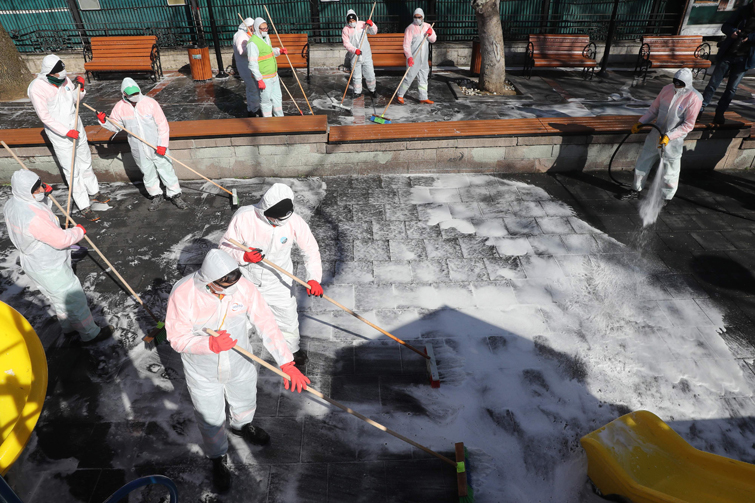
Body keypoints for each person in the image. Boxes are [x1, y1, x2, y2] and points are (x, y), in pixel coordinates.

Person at [166, 249, 309, 493]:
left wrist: (287, 363)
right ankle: (217, 457)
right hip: (203, 371)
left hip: (239, 362)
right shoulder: (184, 293)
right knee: (210, 418)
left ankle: (242, 426)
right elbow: (177, 338)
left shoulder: (243, 286)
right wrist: (208, 344)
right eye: (225, 285)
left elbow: (266, 323)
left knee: (245, 400)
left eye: (235, 281)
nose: (232, 288)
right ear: (209, 280)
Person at [4, 170, 114, 344]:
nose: (41, 189)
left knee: (57, 298)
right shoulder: (33, 218)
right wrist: (78, 231)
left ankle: (68, 327)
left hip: (33, 263)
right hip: (49, 265)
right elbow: (61, 240)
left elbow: (40, 210)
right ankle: (90, 334)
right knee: (73, 299)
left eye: (41, 185)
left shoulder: (12, 203)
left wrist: (45, 196)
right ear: (26, 191)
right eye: (37, 189)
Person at [220, 183, 323, 367]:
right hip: (248, 281)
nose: (276, 223)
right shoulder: (244, 217)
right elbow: (225, 247)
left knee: (287, 318)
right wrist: (243, 256)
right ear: (265, 210)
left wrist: (314, 278)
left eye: (281, 220)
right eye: (273, 219)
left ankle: (292, 350)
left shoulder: (295, 222)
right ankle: (234, 348)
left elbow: (310, 250)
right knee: (239, 317)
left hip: (279, 282)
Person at [27, 54, 109, 222]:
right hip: (61, 136)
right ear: (50, 72)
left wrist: (81, 89)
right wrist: (65, 131)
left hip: (77, 128)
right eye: (60, 71)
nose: (64, 74)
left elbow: (74, 99)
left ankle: (94, 192)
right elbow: (44, 117)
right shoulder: (37, 88)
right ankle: (84, 205)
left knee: (85, 162)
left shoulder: (63, 80)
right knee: (72, 171)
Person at [97, 78, 188, 211]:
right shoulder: (120, 107)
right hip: (138, 148)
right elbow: (116, 127)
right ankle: (156, 195)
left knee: (166, 170)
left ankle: (175, 195)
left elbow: (162, 125)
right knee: (147, 172)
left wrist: (162, 144)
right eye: (131, 94)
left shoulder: (150, 103)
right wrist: (104, 121)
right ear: (124, 94)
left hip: (156, 145)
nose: (135, 96)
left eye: (136, 92)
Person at [621, 68, 702, 205]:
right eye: (675, 82)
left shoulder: (694, 98)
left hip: (673, 141)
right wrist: (641, 122)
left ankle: (666, 197)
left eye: (680, 84)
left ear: (687, 84)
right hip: (656, 134)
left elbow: (688, 125)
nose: (676, 86)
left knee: (670, 170)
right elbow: (654, 109)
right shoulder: (666, 89)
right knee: (643, 162)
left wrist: (669, 136)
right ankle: (635, 189)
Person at [699, 1, 755, 125]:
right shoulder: (743, 11)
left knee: (731, 89)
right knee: (713, 84)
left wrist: (750, 38)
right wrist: (733, 32)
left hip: (744, 58)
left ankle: (720, 113)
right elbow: (726, 26)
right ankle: (700, 108)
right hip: (729, 53)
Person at [247, 17, 287, 117]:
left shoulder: (266, 38)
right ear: (257, 28)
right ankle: (268, 121)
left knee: (277, 98)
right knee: (266, 101)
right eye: (263, 28)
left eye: (266, 28)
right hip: (264, 77)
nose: (265, 30)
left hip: (273, 75)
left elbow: (268, 51)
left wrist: (279, 51)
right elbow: (252, 63)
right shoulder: (252, 43)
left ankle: (280, 118)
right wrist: (259, 79)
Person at [397, 8, 437, 105]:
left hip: (424, 58)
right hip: (414, 58)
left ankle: (423, 97)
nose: (417, 19)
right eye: (415, 17)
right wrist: (409, 57)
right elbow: (406, 45)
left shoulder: (428, 26)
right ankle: (400, 94)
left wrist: (431, 34)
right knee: (409, 77)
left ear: (423, 17)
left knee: (423, 77)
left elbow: (433, 40)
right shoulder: (410, 28)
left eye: (419, 17)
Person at [342, 9, 378, 98]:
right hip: (354, 55)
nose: (352, 22)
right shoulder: (346, 30)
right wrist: (354, 50)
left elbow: (374, 32)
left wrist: (371, 25)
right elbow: (346, 43)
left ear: (356, 19)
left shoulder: (362, 24)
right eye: (350, 21)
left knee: (370, 73)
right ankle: (357, 91)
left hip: (366, 54)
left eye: (353, 20)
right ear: (347, 21)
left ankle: (372, 90)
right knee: (356, 74)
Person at [234, 17, 263, 117]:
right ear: (248, 26)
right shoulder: (240, 35)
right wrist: (254, 48)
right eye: (252, 27)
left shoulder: (245, 34)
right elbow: (241, 51)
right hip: (245, 66)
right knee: (253, 88)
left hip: (247, 65)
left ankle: (252, 107)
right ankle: (253, 110)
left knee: (252, 88)